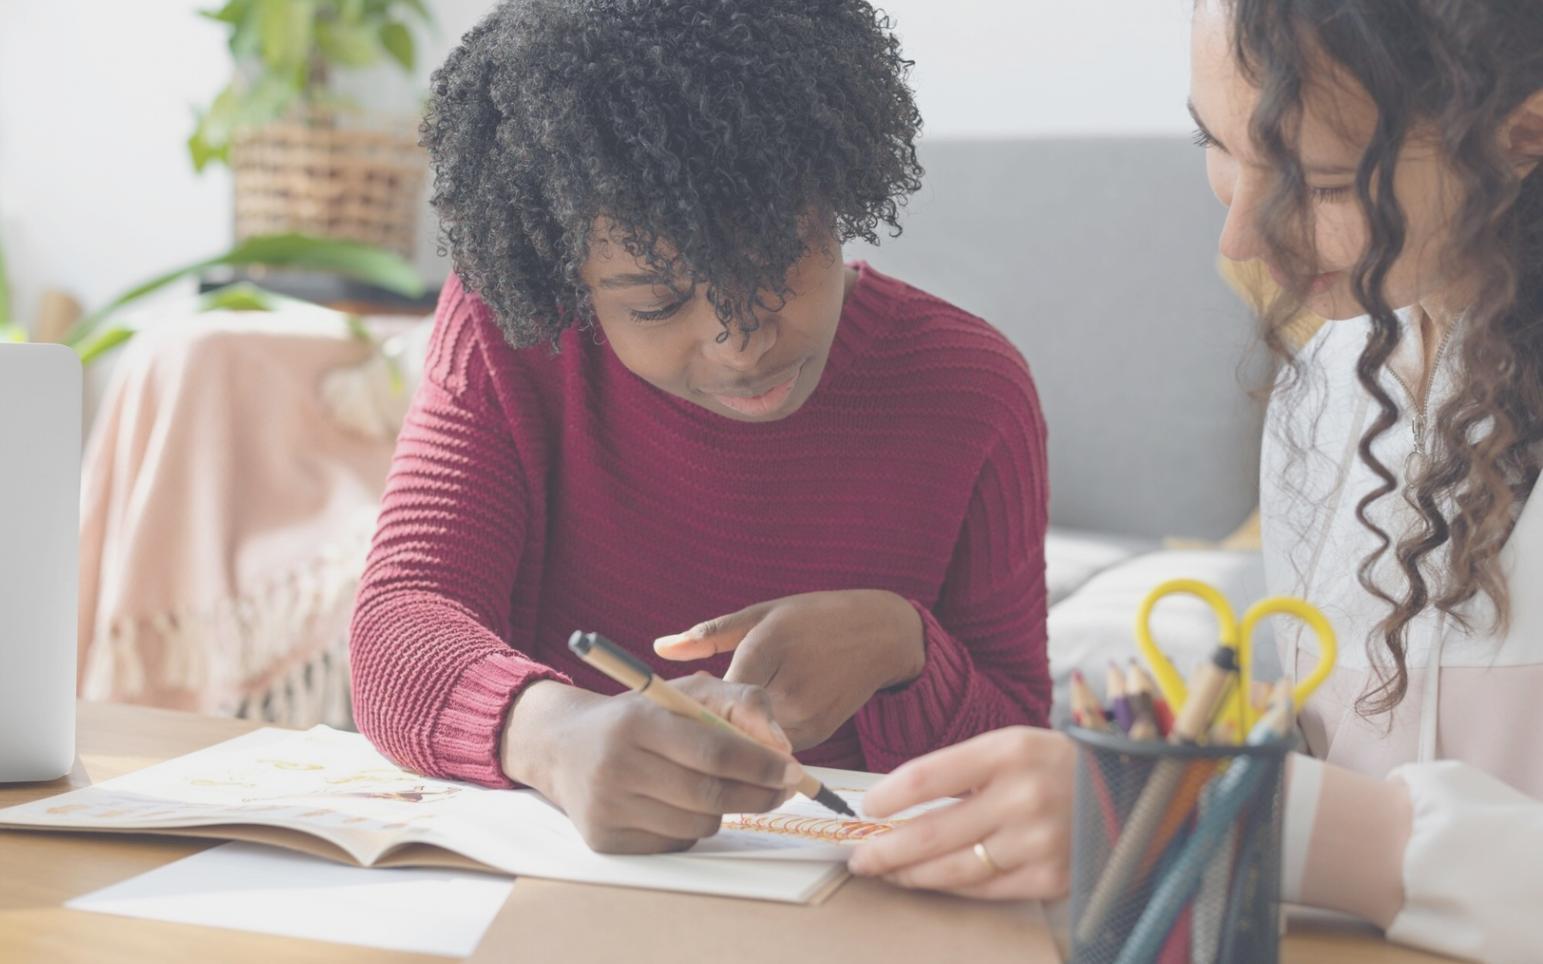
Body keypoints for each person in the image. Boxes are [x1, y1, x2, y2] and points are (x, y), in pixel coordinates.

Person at [852, 2, 1543, 958]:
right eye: (1211, 141)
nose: (1240, 241)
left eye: (1322, 181)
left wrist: (1258, 816)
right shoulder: (1333, 383)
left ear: (1523, 134)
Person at [349, 0, 1052, 856]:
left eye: (774, 263)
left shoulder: (971, 390)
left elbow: (1021, 753)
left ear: (838, 196)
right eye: (657, 302)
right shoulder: (518, 336)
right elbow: (398, 625)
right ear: (571, 274)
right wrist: (554, 736)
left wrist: (903, 648)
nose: (738, 340)